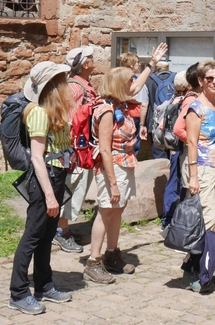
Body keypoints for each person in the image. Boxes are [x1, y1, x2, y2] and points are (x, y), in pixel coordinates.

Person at [84, 44, 167, 284]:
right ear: (120, 86)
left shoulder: (119, 103)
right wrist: (112, 183)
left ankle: (112, 254)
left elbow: (138, 85)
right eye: (129, 81)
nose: (134, 85)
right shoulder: (107, 110)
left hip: (125, 163)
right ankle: (93, 261)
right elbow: (105, 151)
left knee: (117, 211)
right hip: (114, 167)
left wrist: (151, 64)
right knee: (106, 211)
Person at [8, 61, 74, 315]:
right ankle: (18, 293)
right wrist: (48, 195)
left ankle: (44, 285)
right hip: (43, 181)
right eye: (61, 81)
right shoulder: (38, 113)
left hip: (56, 177)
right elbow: (37, 158)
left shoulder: (55, 111)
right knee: (32, 237)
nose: (66, 85)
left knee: (46, 236)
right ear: (52, 85)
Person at [180, 59, 215, 290]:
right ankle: (204, 276)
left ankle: (192, 266)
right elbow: (191, 141)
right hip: (202, 168)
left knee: (211, 217)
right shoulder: (195, 108)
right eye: (209, 78)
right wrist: (194, 176)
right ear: (200, 81)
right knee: (208, 222)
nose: (214, 82)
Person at [53, 46, 96, 254]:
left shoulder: (82, 86)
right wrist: (72, 151)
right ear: (84, 65)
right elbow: (70, 121)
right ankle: (60, 231)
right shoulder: (76, 89)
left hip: (81, 147)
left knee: (77, 188)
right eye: (91, 58)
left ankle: (62, 227)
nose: (94, 60)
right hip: (76, 149)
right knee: (72, 188)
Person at [119, 52, 151, 154]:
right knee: (133, 145)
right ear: (131, 64)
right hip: (132, 116)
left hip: (131, 115)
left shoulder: (133, 79)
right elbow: (139, 99)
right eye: (137, 62)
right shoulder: (124, 79)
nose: (139, 64)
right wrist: (131, 96)